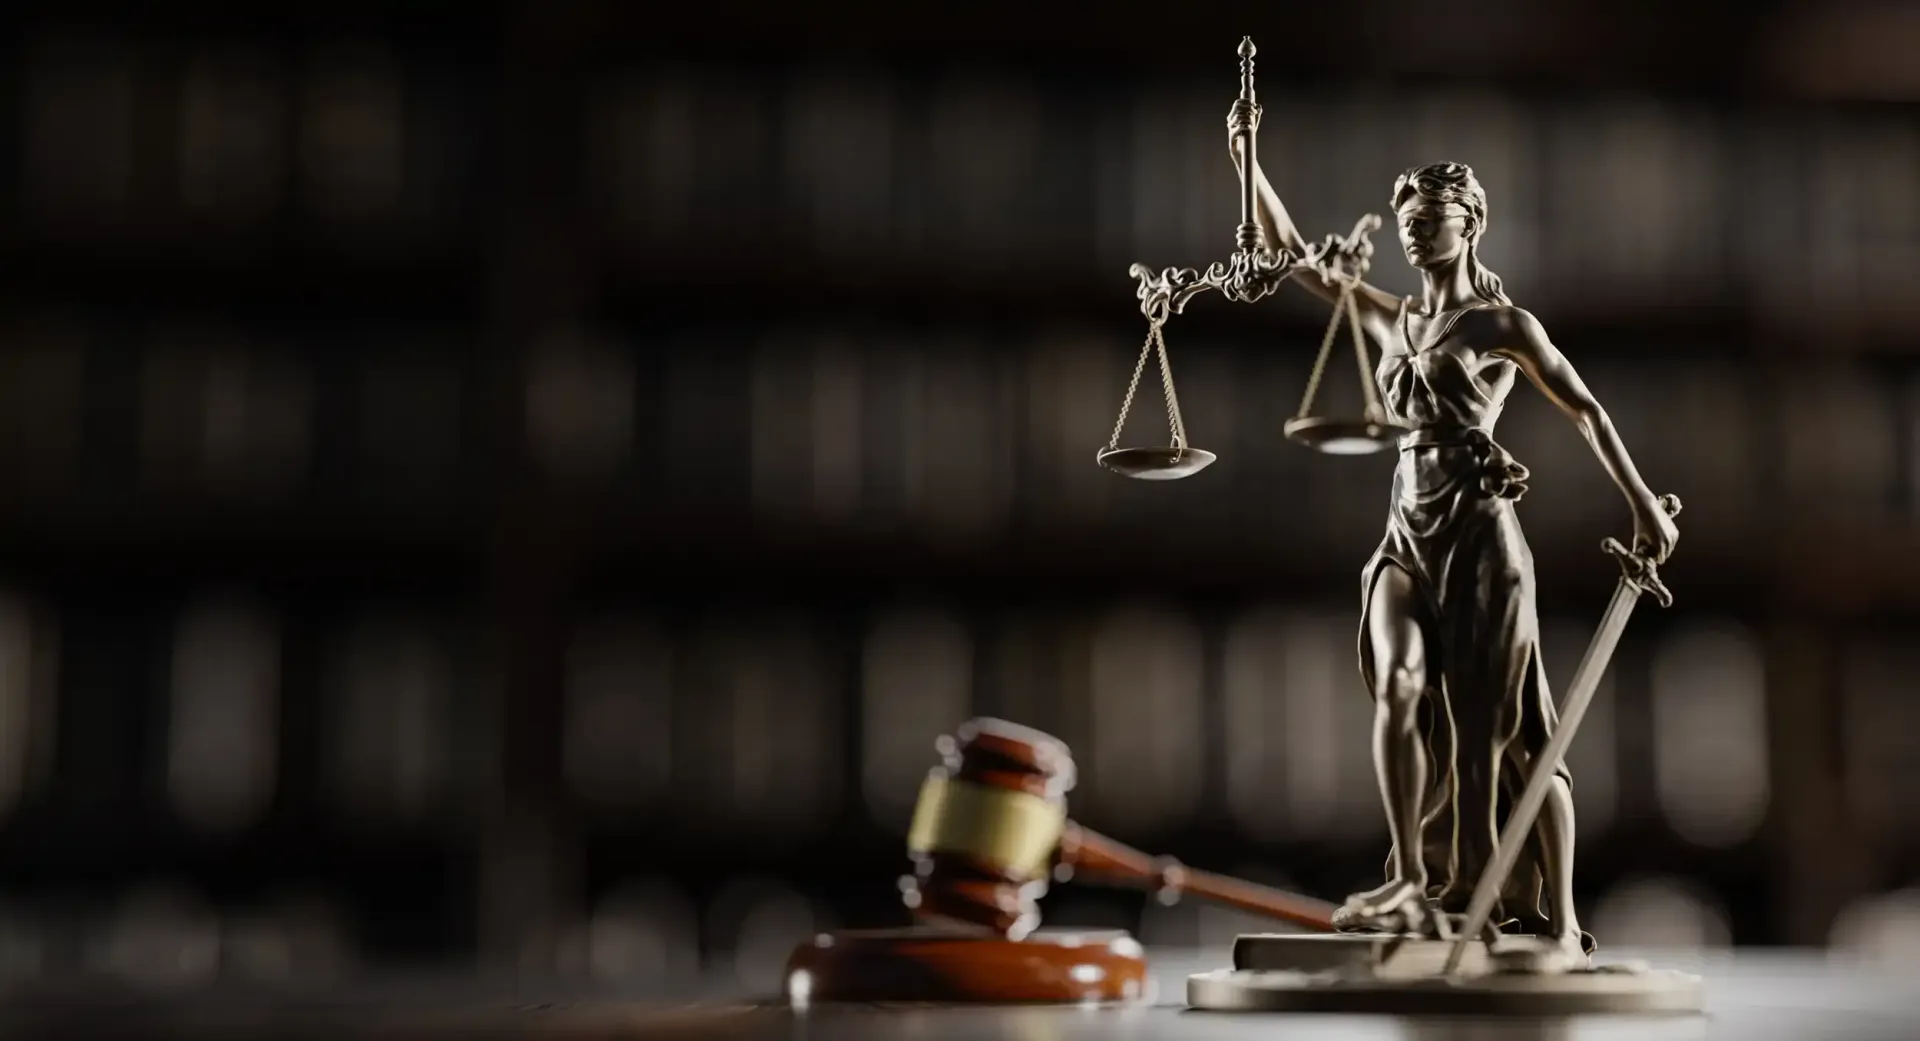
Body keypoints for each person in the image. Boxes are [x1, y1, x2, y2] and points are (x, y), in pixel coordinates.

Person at [1229, 100, 1679, 964]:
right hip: (1406, 527)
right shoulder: (1392, 320)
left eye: (1429, 222)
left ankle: (1540, 908)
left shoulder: (1501, 327)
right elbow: (1289, 259)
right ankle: (1409, 879)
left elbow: (1583, 408)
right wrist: (1247, 160)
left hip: (1479, 535)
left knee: (1497, 739)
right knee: (1399, 689)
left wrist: (1644, 503)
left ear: (1470, 225)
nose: (1413, 236)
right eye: (1405, 223)